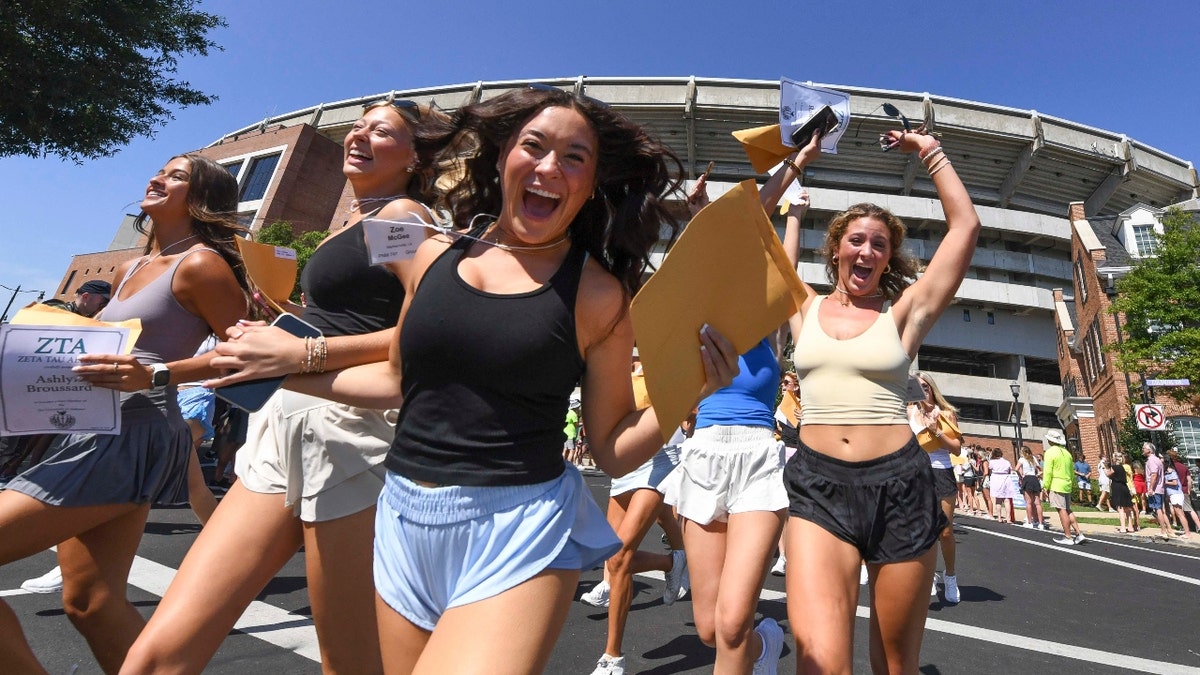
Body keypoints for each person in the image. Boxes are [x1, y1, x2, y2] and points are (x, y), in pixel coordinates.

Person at [223, 85, 735, 673]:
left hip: (520, 530)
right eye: (534, 146)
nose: (549, 167)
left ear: (591, 184)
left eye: (574, 158)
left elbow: (613, 450)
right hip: (402, 520)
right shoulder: (430, 255)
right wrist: (281, 369)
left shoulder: (598, 295)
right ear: (500, 158)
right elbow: (396, 379)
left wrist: (688, 389)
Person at [121, 100, 448, 675]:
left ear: (414, 157)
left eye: (382, 130)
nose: (359, 134)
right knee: (156, 656)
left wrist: (305, 350)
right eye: (358, 125)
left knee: (350, 663)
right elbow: (356, 317)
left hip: (350, 437)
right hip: (281, 425)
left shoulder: (398, 217)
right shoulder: (354, 222)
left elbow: (431, 325)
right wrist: (282, 322)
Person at [0, 153, 249, 673]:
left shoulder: (202, 264)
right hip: (90, 429)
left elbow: (244, 355)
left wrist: (154, 374)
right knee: (92, 602)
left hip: (136, 432)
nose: (157, 177)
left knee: (93, 601)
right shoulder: (128, 266)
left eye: (176, 175)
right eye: (159, 169)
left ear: (202, 198)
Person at [772, 117, 980, 673]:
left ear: (888, 259)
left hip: (903, 486)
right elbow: (752, 237)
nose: (867, 251)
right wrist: (799, 162)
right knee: (818, 663)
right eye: (857, 240)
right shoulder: (802, 305)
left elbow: (965, 228)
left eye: (880, 245)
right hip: (817, 489)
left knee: (895, 665)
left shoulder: (904, 313)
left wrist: (930, 151)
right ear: (836, 247)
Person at [907, 371, 962, 603]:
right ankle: (929, 577)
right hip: (917, 473)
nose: (923, 391)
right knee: (923, 530)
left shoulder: (946, 413)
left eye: (926, 386)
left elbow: (957, 449)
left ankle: (950, 576)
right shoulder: (909, 411)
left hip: (942, 473)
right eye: (918, 387)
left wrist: (936, 430)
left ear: (932, 389)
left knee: (945, 532)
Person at [772, 370, 801, 576]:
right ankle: (783, 556)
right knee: (784, 507)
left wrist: (805, 420)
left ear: (796, 386)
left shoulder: (806, 407)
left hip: (802, 458)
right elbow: (778, 433)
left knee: (798, 509)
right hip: (783, 455)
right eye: (783, 383)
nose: (783, 386)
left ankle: (799, 554)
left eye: (787, 383)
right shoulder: (781, 408)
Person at [1042, 429, 1084, 545]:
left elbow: (1048, 471)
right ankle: (1078, 533)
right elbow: (1071, 471)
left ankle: (1068, 536)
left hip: (1056, 484)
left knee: (1061, 510)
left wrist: (1045, 486)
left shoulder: (1050, 452)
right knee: (1067, 509)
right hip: (1067, 483)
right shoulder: (1067, 453)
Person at [1143, 443, 1174, 539]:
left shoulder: (1151, 460)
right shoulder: (1158, 460)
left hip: (1155, 489)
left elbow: (1154, 475)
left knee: (1158, 510)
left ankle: (1163, 531)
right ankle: (1169, 530)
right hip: (1160, 488)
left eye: (1144, 448)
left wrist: (1151, 488)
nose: (1142, 450)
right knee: (1162, 509)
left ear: (1149, 450)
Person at [1167, 449, 1200, 533]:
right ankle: (1199, 526)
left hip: (1175, 491)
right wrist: (1189, 490)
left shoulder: (1170, 468)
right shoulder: (1183, 466)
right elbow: (1190, 480)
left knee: (1179, 512)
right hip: (1184, 490)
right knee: (1190, 509)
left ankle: (1185, 529)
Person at [1106, 452, 1135, 532]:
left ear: (1114, 459)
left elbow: (1108, 474)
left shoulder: (1114, 467)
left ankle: (1123, 528)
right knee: (1128, 508)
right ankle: (1130, 527)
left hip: (1117, 487)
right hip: (1124, 487)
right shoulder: (1123, 467)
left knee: (1121, 508)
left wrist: (1105, 468)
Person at [988, 449, 1018, 523]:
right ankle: (1008, 518)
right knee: (1007, 499)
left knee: (998, 499)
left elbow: (990, 470)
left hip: (996, 479)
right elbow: (1009, 470)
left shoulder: (992, 462)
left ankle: (999, 517)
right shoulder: (1006, 462)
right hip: (1006, 478)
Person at [1162, 459, 1190, 539]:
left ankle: (1187, 533)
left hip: (1176, 494)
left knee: (1180, 514)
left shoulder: (1171, 471)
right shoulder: (1169, 471)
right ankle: (1186, 531)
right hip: (1174, 494)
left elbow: (1175, 482)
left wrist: (1165, 482)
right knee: (1180, 514)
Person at [1017, 447, 1044, 529]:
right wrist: (1038, 475)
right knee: (1037, 503)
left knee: (1028, 502)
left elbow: (1016, 469)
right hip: (1034, 479)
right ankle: (1040, 523)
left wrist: (1021, 476)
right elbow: (1040, 469)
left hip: (1027, 478)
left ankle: (1030, 522)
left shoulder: (1022, 459)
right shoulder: (1034, 459)